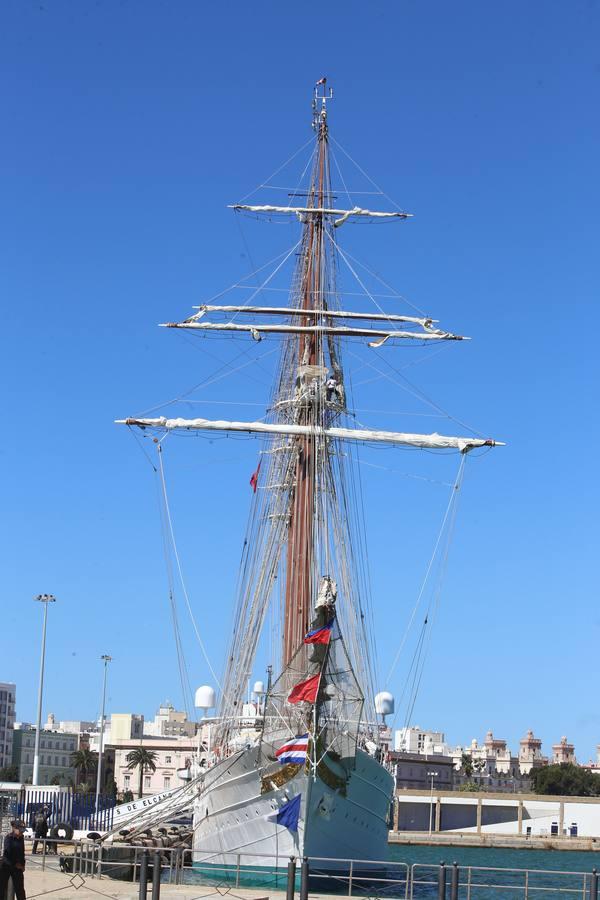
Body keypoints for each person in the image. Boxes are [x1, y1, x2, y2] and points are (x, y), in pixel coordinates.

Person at [0, 819, 27, 900]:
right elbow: (7, 854)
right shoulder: (8, 838)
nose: (22, 832)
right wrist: (16, 864)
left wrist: (22, 865)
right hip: (7, 866)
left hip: (18, 868)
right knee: (1, 888)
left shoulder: (21, 838)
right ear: (14, 828)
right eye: (20, 830)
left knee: (20, 890)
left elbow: (22, 853)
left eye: (23, 830)